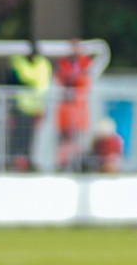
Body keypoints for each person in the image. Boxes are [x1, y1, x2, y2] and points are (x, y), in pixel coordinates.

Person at [8, 41, 53, 171]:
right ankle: (17, 162)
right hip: (21, 107)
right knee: (18, 138)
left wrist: (42, 108)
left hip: (35, 108)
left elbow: (44, 88)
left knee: (31, 139)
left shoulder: (43, 66)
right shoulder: (19, 65)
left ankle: (28, 161)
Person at [54, 43, 93, 171]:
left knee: (77, 140)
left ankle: (78, 164)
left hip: (78, 112)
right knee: (65, 140)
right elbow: (61, 79)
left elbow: (84, 84)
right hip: (66, 113)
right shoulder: (64, 65)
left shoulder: (85, 66)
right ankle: (63, 163)